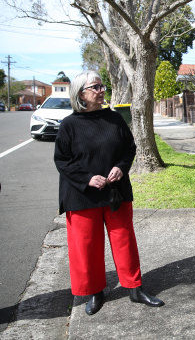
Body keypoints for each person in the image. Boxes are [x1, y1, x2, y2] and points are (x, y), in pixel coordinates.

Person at [54, 71, 164, 316]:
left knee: (124, 241)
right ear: (81, 94)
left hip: (115, 192)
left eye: (102, 85)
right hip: (82, 196)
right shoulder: (69, 125)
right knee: (86, 247)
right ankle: (94, 292)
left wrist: (120, 168)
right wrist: (86, 178)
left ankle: (135, 288)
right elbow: (62, 160)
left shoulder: (114, 119)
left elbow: (129, 148)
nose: (102, 90)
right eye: (96, 87)